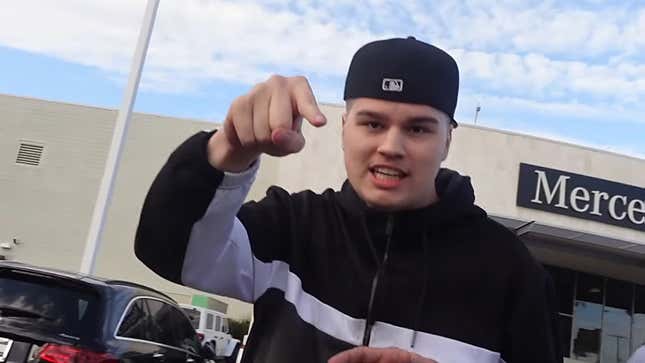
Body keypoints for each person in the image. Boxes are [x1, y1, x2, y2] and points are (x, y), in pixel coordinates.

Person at [135, 37, 562, 363]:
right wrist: (228, 149)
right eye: (372, 123)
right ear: (344, 127)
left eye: (418, 129)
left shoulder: (511, 273)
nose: (391, 146)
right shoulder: (293, 227)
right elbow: (170, 251)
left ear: (447, 139)